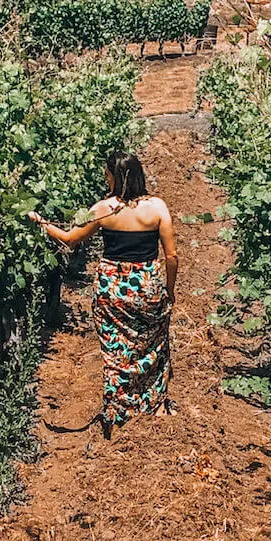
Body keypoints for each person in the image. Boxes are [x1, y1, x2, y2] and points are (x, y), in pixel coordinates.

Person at [27, 151, 178, 438]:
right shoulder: (158, 208)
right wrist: (168, 290)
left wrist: (41, 222)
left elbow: (70, 239)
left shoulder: (103, 210)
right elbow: (171, 256)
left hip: (112, 287)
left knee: (115, 351)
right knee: (153, 345)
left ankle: (118, 410)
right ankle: (154, 405)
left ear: (114, 176)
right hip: (146, 286)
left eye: (107, 174)